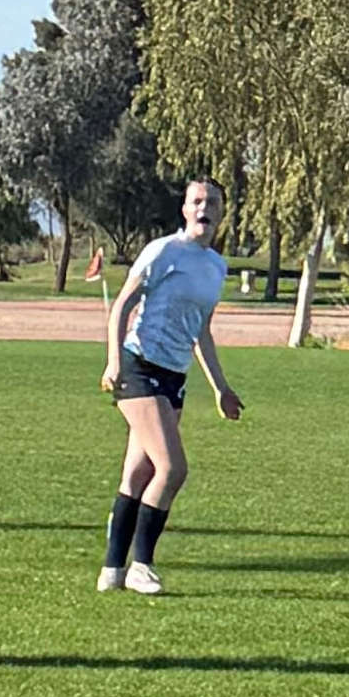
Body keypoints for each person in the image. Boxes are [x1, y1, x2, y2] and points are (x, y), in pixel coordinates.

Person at [98, 179, 244, 596]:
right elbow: (123, 305)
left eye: (212, 202)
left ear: (221, 210)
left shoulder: (216, 267)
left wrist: (221, 388)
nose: (204, 208)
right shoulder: (163, 251)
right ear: (184, 209)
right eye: (197, 201)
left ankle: (112, 569)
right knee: (173, 469)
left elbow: (202, 331)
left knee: (138, 472)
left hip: (172, 377)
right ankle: (141, 566)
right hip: (138, 367)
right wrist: (112, 362)